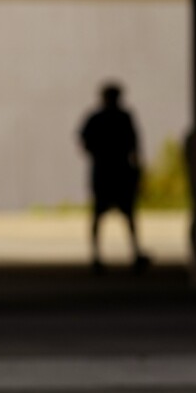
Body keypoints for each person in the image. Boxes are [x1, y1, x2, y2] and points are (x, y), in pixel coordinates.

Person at [78, 82, 151, 274]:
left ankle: (98, 257)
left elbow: (84, 142)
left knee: (104, 216)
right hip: (116, 171)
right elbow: (134, 146)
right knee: (123, 216)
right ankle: (121, 254)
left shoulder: (101, 118)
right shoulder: (121, 118)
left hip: (107, 171)